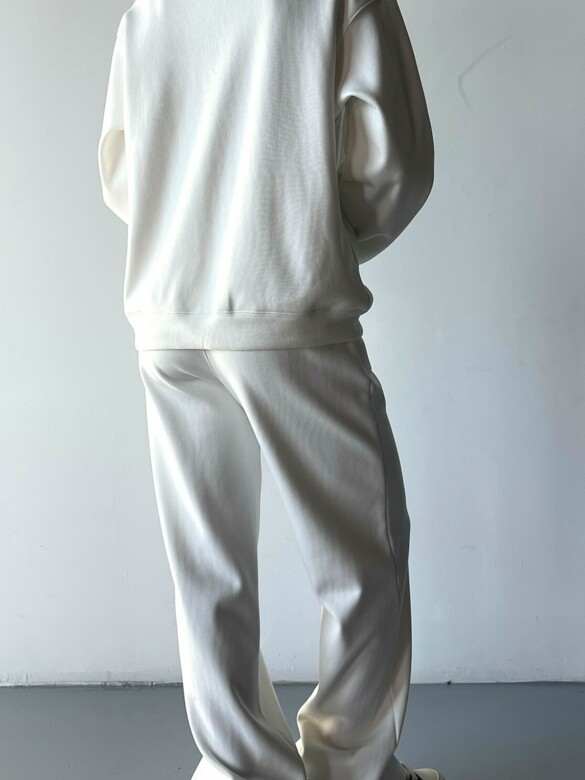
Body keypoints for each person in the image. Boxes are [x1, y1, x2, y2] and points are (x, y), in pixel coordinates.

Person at [97, 1, 441, 779]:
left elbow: (122, 170)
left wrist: (190, 225)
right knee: (362, 554)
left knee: (207, 568)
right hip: (285, 297)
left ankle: (238, 767)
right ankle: (349, 766)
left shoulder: (149, 9)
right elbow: (394, 167)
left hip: (167, 308)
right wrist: (319, 230)